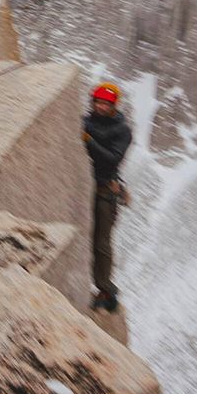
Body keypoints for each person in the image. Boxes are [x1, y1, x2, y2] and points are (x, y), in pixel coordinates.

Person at [83, 82, 131, 313]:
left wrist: (89, 141)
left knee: (101, 243)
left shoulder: (122, 130)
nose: (100, 106)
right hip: (85, 187)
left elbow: (112, 159)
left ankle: (106, 290)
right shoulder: (87, 122)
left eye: (105, 103)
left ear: (114, 106)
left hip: (105, 192)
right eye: (98, 102)